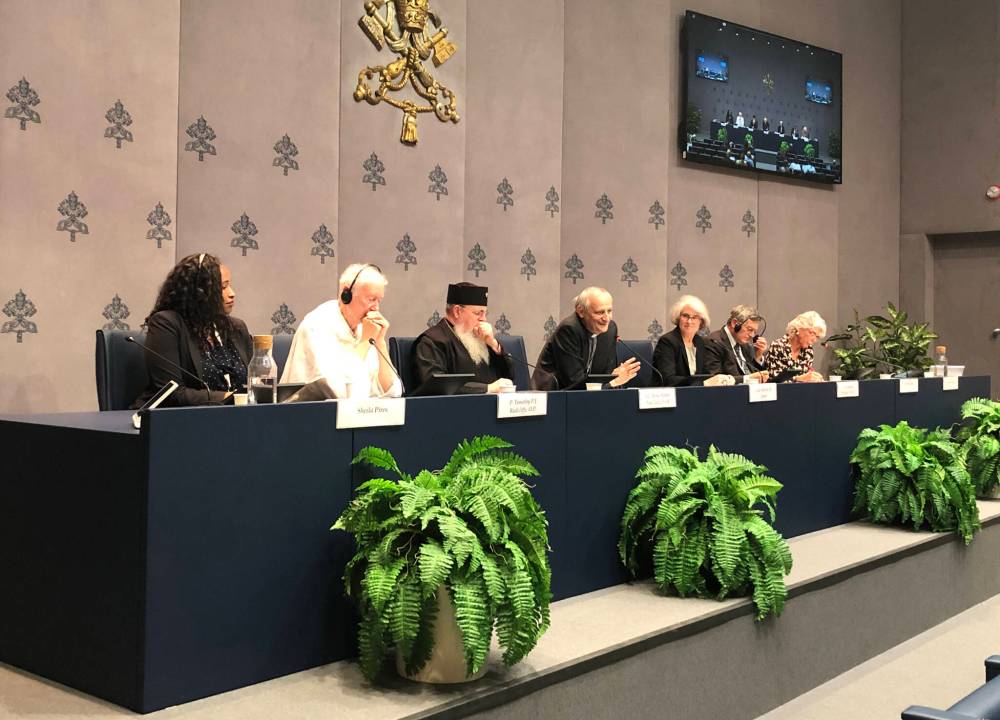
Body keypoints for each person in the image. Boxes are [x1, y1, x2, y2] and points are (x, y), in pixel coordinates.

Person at [133, 252, 252, 408]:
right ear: (200, 292)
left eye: (230, 285)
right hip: (180, 420)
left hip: (234, 419)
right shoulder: (166, 324)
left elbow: (253, 384)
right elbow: (171, 394)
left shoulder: (236, 328)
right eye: (223, 287)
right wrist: (229, 399)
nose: (232, 293)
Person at [280, 263, 401, 398]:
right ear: (346, 295)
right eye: (371, 299)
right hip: (315, 414)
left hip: (363, 414)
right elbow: (335, 392)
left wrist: (379, 342)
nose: (376, 308)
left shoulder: (365, 329)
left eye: (379, 301)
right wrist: (365, 342)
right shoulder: (317, 325)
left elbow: (394, 391)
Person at [410, 282, 515, 395]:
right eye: (478, 313)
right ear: (457, 311)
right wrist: (487, 389)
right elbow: (437, 387)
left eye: (485, 313)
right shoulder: (431, 341)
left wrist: (494, 345)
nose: (484, 319)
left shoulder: (482, 339)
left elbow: (510, 376)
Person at [531, 287, 641, 391]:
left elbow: (605, 375)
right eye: (600, 312)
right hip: (552, 395)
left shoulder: (610, 329)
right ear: (581, 311)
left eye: (609, 311)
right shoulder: (568, 330)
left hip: (588, 395)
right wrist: (613, 382)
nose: (606, 318)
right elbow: (573, 381)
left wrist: (613, 378)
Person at [653, 295, 734, 387]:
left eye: (695, 317)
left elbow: (706, 374)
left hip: (696, 395)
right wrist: (703, 383)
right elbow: (668, 380)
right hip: (673, 396)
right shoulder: (667, 342)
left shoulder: (701, 342)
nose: (689, 321)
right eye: (685, 316)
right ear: (678, 318)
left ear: (701, 321)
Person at [704, 305, 769, 383]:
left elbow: (755, 375)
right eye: (749, 329)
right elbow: (714, 380)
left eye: (754, 332)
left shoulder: (746, 346)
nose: (752, 335)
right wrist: (747, 378)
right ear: (735, 323)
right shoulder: (714, 342)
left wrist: (758, 357)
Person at [764, 311, 826, 383]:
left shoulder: (808, 351)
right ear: (799, 328)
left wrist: (814, 379)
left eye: (817, 337)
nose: (814, 340)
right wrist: (798, 379)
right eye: (812, 333)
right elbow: (775, 381)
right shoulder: (778, 346)